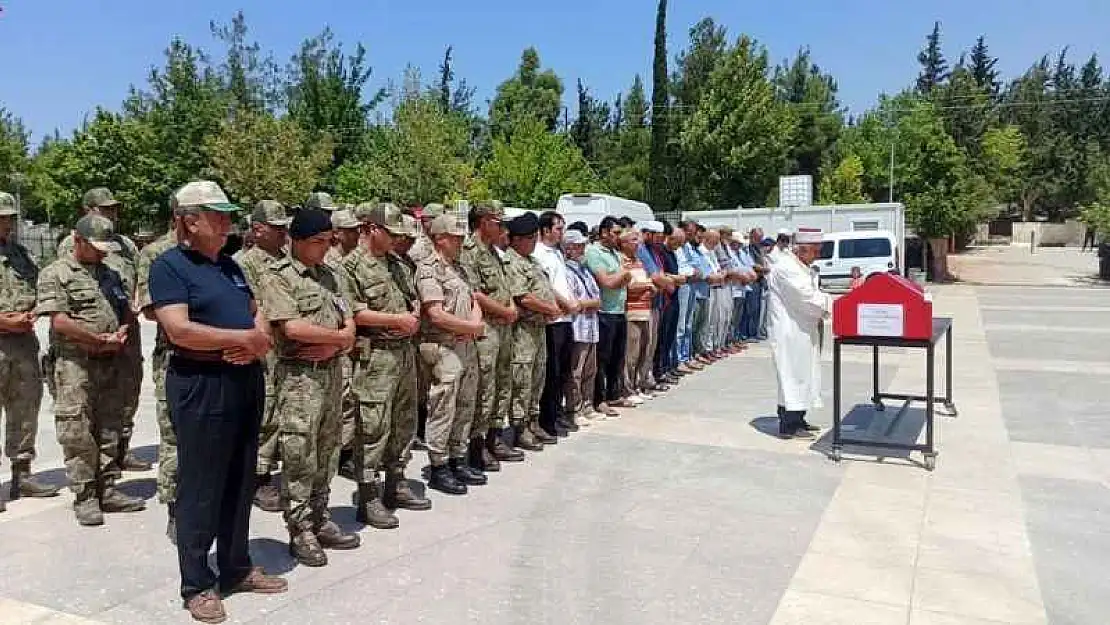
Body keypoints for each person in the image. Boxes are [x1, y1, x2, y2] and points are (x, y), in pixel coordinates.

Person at [149, 181, 288, 622]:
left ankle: (235, 567)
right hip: (200, 382)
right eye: (218, 213)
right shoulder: (169, 266)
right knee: (201, 487)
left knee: (239, 480)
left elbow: (255, 312)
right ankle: (197, 583)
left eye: (229, 213)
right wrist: (244, 339)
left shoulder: (229, 265)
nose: (228, 221)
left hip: (243, 379)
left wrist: (257, 340)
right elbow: (179, 330)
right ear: (190, 220)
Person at [260, 208, 360, 567]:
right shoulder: (279, 276)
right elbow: (292, 329)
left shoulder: (333, 275)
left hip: (332, 373)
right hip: (299, 378)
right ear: (296, 241)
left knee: (329, 447)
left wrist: (336, 340)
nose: (325, 247)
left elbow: (349, 318)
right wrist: (339, 337)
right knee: (300, 452)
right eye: (318, 242)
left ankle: (320, 515)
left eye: (328, 240)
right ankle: (299, 526)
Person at [37, 214, 145, 526]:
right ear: (78, 241)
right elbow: (59, 320)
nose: (101, 253)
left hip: (110, 361)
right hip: (74, 365)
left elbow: (125, 307)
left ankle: (108, 488)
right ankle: (85, 496)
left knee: (110, 424)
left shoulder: (110, 273)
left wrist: (123, 330)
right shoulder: (56, 273)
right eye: (96, 247)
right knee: (77, 429)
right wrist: (95, 339)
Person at [341, 203, 429, 530]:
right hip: (375, 356)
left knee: (404, 421)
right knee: (373, 425)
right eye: (390, 233)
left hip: (403, 353)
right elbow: (353, 312)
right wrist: (396, 320)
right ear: (371, 229)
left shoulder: (398, 265)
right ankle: (368, 495)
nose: (396, 240)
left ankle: (396, 481)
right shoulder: (350, 266)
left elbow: (413, 299)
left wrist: (413, 315)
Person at [56, 188, 150, 472]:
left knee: (128, 388)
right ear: (88, 210)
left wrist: (128, 313)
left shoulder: (125, 245)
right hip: (87, 340)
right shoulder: (70, 245)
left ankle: (121, 447)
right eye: (104, 208)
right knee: (86, 404)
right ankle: (94, 466)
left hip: (124, 328)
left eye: (113, 209)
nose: (111, 214)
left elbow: (133, 278)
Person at [415, 213, 486, 494]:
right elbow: (435, 313)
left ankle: (458, 457)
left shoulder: (459, 267)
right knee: (443, 406)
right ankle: (439, 465)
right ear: (439, 238)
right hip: (442, 346)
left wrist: (473, 326)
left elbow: (472, 299)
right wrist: (470, 326)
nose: (460, 243)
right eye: (455, 238)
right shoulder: (428, 268)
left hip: (465, 344)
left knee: (465, 403)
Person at [0, 192, 62, 510]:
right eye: (2, 217)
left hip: (23, 344)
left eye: (9, 217)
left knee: (24, 410)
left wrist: (31, 314)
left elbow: (39, 288)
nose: (7, 223)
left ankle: (21, 474)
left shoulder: (21, 253)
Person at [235, 200, 292, 514]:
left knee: (284, 411)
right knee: (265, 414)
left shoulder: (287, 259)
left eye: (285, 226)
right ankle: (259, 478)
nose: (284, 232)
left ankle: (271, 466)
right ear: (257, 230)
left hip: (289, 348)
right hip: (263, 348)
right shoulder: (245, 263)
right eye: (277, 227)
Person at [458, 201, 522, 469]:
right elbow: (476, 294)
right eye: (498, 222)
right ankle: (477, 444)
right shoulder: (469, 252)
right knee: (484, 387)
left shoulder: (495, 253)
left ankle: (494, 437)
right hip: (487, 330)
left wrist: (511, 309)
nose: (502, 228)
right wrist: (505, 312)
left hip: (504, 329)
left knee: (502, 383)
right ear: (483, 222)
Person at [134, 222, 181, 540]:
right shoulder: (155, 254)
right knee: (174, 436)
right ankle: (175, 508)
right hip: (173, 357)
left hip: (212, 360)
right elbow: (150, 308)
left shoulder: (211, 254)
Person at [766, 228, 832, 440]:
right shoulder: (786, 268)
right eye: (815, 251)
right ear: (803, 249)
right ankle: (788, 424)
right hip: (790, 331)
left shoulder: (801, 267)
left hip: (803, 329)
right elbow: (806, 298)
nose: (818, 255)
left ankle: (799, 418)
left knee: (804, 375)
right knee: (792, 376)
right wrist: (831, 304)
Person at [504, 213, 562, 449]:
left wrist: (559, 306)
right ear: (516, 240)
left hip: (539, 328)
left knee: (538, 377)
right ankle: (520, 427)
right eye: (529, 238)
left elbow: (545, 287)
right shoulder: (512, 262)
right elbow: (523, 297)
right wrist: (550, 308)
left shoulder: (532, 261)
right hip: (523, 331)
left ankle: (532, 419)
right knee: (522, 378)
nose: (533, 242)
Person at [533, 211, 579, 437]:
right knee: (551, 373)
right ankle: (547, 421)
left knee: (563, 372)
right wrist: (565, 304)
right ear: (545, 230)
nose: (562, 232)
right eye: (558, 228)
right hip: (553, 320)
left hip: (566, 318)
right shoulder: (539, 253)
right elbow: (546, 286)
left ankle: (557, 415)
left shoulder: (557, 253)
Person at [328, 208, 363, 481]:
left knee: (349, 399)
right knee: (340, 400)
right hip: (332, 340)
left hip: (351, 340)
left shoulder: (352, 261)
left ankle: (346, 453)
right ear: (337, 232)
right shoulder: (330, 262)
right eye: (350, 229)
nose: (356, 233)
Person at [584, 216, 633, 414]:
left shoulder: (615, 253)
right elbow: (607, 282)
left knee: (617, 357)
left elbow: (624, 280)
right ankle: (599, 399)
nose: (618, 238)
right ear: (604, 232)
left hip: (619, 309)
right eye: (615, 233)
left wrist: (620, 276)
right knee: (602, 359)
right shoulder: (594, 252)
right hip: (604, 311)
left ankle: (614, 394)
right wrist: (622, 274)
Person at [562, 229, 603, 426]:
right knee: (575, 373)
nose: (582, 249)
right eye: (578, 246)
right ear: (568, 248)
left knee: (590, 370)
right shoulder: (567, 272)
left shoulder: (585, 270)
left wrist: (589, 303)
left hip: (591, 327)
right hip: (578, 328)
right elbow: (575, 303)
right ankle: (573, 410)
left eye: (583, 245)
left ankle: (588, 406)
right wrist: (589, 303)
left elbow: (597, 299)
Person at [620, 229, 655, 404]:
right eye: (633, 240)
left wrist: (648, 286)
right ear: (624, 243)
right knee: (630, 354)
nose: (637, 244)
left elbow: (646, 282)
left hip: (645, 311)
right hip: (632, 312)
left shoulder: (639, 262)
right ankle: (627, 389)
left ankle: (638, 385)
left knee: (643, 350)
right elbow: (629, 287)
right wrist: (647, 286)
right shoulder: (622, 261)